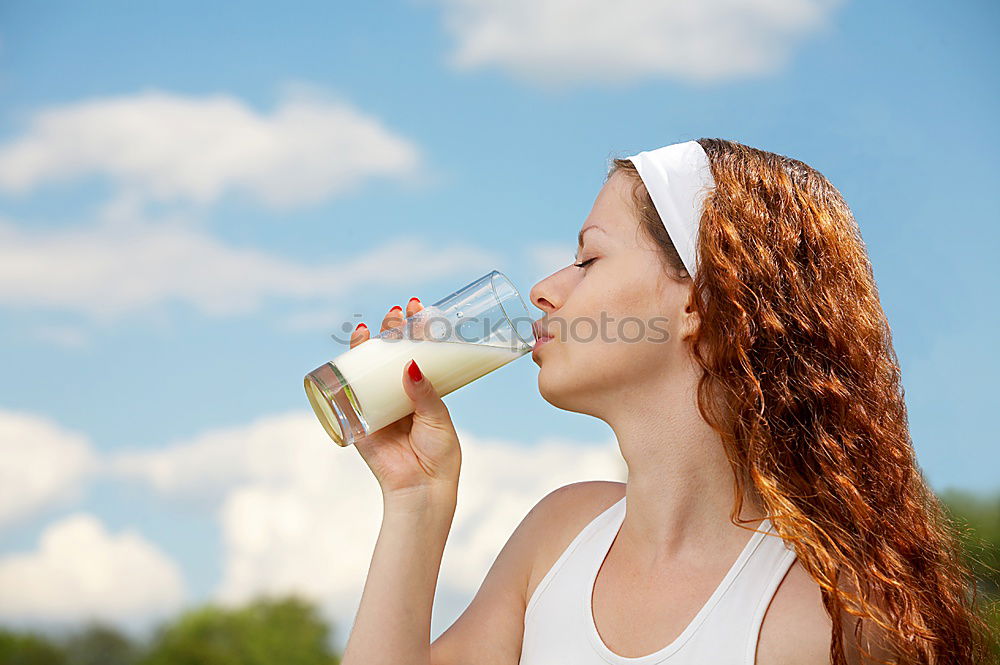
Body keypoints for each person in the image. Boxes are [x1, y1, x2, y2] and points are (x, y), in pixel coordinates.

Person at [338, 138, 990, 665]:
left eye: (589, 259)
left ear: (698, 301)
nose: (543, 289)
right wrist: (415, 499)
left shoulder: (824, 623)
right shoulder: (558, 537)